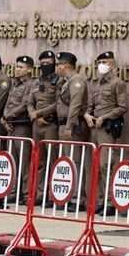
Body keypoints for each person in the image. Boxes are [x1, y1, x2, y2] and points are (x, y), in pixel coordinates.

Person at [84, 51, 127, 215]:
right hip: (94, 128)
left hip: (107, 128)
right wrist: (87, 115)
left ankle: (110, 202)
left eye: (106, 62)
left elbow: (122, 107)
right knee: (95, 165)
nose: (102, 65)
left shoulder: (118, 83)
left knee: (106, 164)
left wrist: (105, 117)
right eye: (100, 62)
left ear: (113, 64)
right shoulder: (95, 83)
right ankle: (100, 200)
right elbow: (90, 106)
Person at [56, 51, 89, 210]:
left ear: (65, 66)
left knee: (75, 162)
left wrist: (69, 127)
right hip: (64, 125)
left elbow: (75, 105)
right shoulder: (66, 81)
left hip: (73, 127)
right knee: (67, 163)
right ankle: (68, 196)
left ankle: (77, 199)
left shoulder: (77, 81)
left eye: (59, 65)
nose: (57, 68)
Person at [28, 51, 61, 202]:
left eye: (48, 63)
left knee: (52, 160)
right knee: (39, 161)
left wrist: (40, 113)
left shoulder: (58, 81)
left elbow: (58, 103)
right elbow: (30, 102)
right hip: (37, 125)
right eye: (42, 63)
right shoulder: (36, 82)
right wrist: (34, 115)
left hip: (50, 124)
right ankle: (40, 194)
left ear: (54, 63)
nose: (45, 65)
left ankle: (52, 195)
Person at [2, 56, 35, 203]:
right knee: (12, 161)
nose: (18, 69)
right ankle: (13, 192)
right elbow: (8, 103)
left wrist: (9, 115)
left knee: (24, 162)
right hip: (10, 125)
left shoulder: (31, 84)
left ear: (29, 69)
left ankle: (26, 194)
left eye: (21, 67)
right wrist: (4, 118)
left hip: (22, 125)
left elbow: (25, 104)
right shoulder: (15, 84)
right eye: (17, 66)